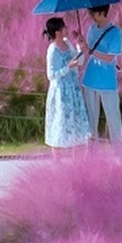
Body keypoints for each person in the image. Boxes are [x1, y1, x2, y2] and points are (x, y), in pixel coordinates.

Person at [81, 5, 122, 150]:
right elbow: (87, 51)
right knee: (91, 119)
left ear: (103, 13)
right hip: (90, 78)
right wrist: (82, 44)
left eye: (94, 14)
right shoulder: (92, 30)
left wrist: (90, 51)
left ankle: (120, 154)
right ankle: (92, 153)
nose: (92, 17)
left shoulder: (115, 32)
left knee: (113, 119)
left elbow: (110, 58)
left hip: (107, 82)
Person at [42, 17, 89, 150]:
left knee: (75, 120)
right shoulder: (52, 50)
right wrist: (68, 67)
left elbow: (78, 61)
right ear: (57, 32)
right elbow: (51, 75)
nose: (66, 29)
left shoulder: (67, 43)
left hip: (73, 88)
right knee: (60, 121)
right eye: (64, 27)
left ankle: (75, 158)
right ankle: (56, 159)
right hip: (60, 92)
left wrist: (80, 46)